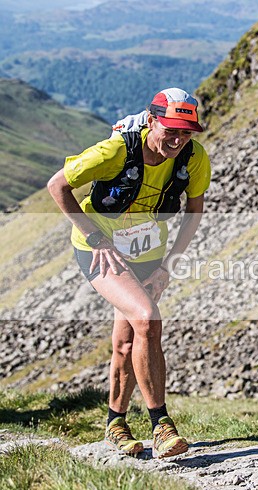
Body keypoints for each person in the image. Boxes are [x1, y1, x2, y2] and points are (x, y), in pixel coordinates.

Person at [48, 88, 211, 458]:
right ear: (152, 120)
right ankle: (161, 425)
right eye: (170, 129)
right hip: (101, 251)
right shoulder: (117, 151)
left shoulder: (194, 157)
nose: (177, 139)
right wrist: (94, 236)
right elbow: (57, 185)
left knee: (127, 340)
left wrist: (170, 264)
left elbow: (195, 211)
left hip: (149, 254)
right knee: (148, 319)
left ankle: (115, 424)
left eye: (186, 132)